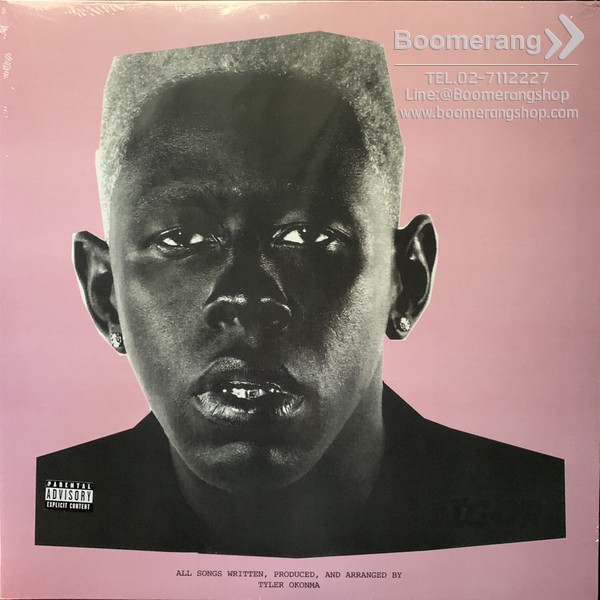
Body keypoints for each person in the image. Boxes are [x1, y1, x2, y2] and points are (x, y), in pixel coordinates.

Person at [36, 32, 565, 557]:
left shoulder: (539, 516)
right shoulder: (39, 522)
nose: (244, 298)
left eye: (308, 238)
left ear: (406, 280)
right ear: (105, 293)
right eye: (181, 240)